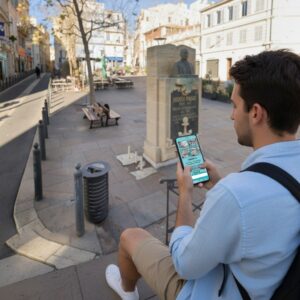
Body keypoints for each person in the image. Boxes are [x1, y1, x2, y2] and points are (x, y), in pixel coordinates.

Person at [105, 49, 300, 300]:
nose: (231, 115)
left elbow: (184, 264)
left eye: (235, 105)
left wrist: (185, 194)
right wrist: (218, 185)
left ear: (256, 113)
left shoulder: (236, 195)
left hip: (216, 290)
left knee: (130, 237)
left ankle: (127, 290)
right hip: (267, 283)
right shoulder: (241, 189)